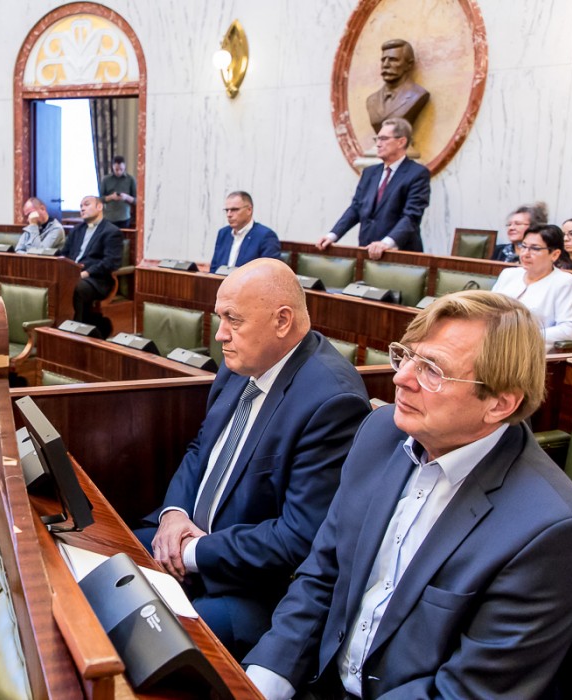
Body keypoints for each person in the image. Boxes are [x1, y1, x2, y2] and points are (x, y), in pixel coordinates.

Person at [245, 290, 572, 699]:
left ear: (500, 404)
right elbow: (323, 575)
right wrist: (265, 682)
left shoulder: (548, 529)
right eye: (407, 356)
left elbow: (468, 692)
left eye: (432, 370)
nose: (401, 378)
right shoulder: (381, 433)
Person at [134, 259, 370, 657]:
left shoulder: (332, 400)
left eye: (234, 319)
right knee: (98, 564)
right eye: (220, 318)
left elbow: (298, 537)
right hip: (191, 539)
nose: (220, 334)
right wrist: (173, 515)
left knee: (154, 645)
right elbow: (202, 449)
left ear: (282, 321)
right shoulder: (243, 361)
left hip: (255, 587)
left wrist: (192, 553)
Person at [318, 117, 430, 259]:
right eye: (377, 139)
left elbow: (411, 216)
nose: (378, 144)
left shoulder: (417, 174)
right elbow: (356, 208)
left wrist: (386, 243)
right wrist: (333, 235)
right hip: (366, 251)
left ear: (401, 142)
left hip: (400, 255)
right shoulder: (370, 173)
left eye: (383, 139)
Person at [492, 224, 572, 351]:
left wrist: (523, 336)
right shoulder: (508, 274)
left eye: (535, 248)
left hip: (532, 351)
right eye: (523, 246)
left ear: (555, 255)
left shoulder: (565, 282)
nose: (525, 254)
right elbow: (488, 310)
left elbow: (571, 330)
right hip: (495, 344)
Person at [57, 195, 123, 338]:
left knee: (76, 287)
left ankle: (76, 333)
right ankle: (56, 329)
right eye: (81, 206)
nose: (82, 208)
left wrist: (86, 273)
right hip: (72, 275)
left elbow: (111, 262)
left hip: (97, 280)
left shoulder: (111, 231)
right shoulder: (77, 230)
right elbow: (64, 254)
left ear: (99, 207)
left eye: (86, 204)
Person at [364, 39, 430, 135]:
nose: (385, 65)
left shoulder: (417, 95)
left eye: (393, 60)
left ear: (409, 65)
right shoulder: (371, 100)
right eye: (383, 60)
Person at [209, 191, 281, 270]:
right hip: (220, 278)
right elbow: (214, 269)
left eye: (234, 209)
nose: (229, 215)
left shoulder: (265, 236)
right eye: (227, 210)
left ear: (249, 210)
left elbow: (268, 272)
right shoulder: (223, 233)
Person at [99, 155, 136, 228]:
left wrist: (126, 197)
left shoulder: (131, 179)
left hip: (124, 218)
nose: (119, 172)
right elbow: (100, 199)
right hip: (109, 218)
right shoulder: (105, 179)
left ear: (124, 167)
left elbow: (137, 200)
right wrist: (111, 197)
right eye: (116, 169)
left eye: (121, 169)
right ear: (112, 167)